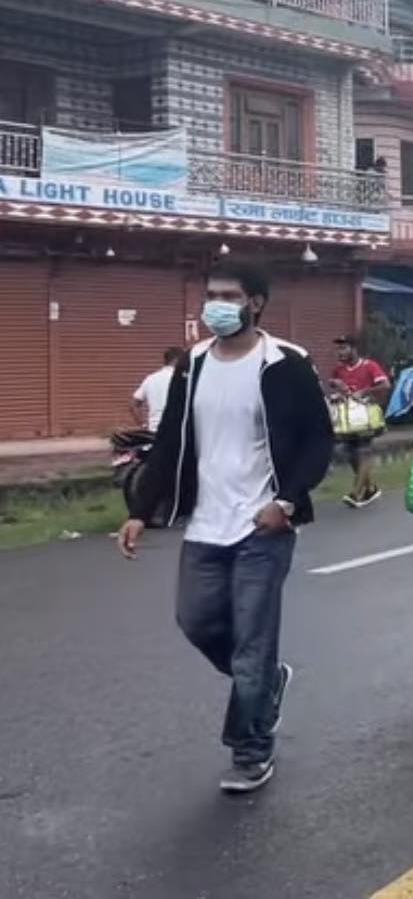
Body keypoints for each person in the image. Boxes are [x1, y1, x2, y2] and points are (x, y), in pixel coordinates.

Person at [119, 261, 331, 793]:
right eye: (211, 294)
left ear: (255, 302)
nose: (217, 304)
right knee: (196, 622)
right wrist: (141, 510)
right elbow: (170, 441)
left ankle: (250, 749)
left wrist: (285, 502)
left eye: (230, 295)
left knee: (252, 641)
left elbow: (317, 440)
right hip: (205, 525)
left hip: (264, 525)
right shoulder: (192, 364)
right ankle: (266, 682)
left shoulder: (285, 363)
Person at [329, 335, 391, 507]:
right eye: (338, 349)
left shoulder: (369, 366)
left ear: (354, 349)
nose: (340, 352)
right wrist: (336, 390)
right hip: (347, 420)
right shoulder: (338, 370)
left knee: (363, 451)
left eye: (344, 348)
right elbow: (336, 388)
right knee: (351, 454)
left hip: (366, 417)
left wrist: (364, 392)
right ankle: (370, 489)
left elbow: (385, 385)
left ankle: (356, 494)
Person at [131, 345, 184, 432]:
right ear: (177, 360)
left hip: (153, 433)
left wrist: (143, 426)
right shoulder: (182, 379)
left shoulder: (150, 379)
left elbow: (133, 405)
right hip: (176, 432)